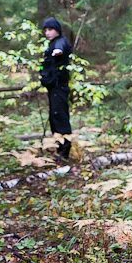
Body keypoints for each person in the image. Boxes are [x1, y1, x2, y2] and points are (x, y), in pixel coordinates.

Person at [40, 17, 73, 159]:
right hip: (53, 87)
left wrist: (58, 52)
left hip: (59, 86)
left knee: (60, 116)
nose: (47, 32)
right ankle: (60, 147)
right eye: (45, 30)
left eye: (50, 29)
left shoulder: (60, 42)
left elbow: (61, 48)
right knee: (54, 116)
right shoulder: (51, 44)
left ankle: (65, 150)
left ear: (57, 30)